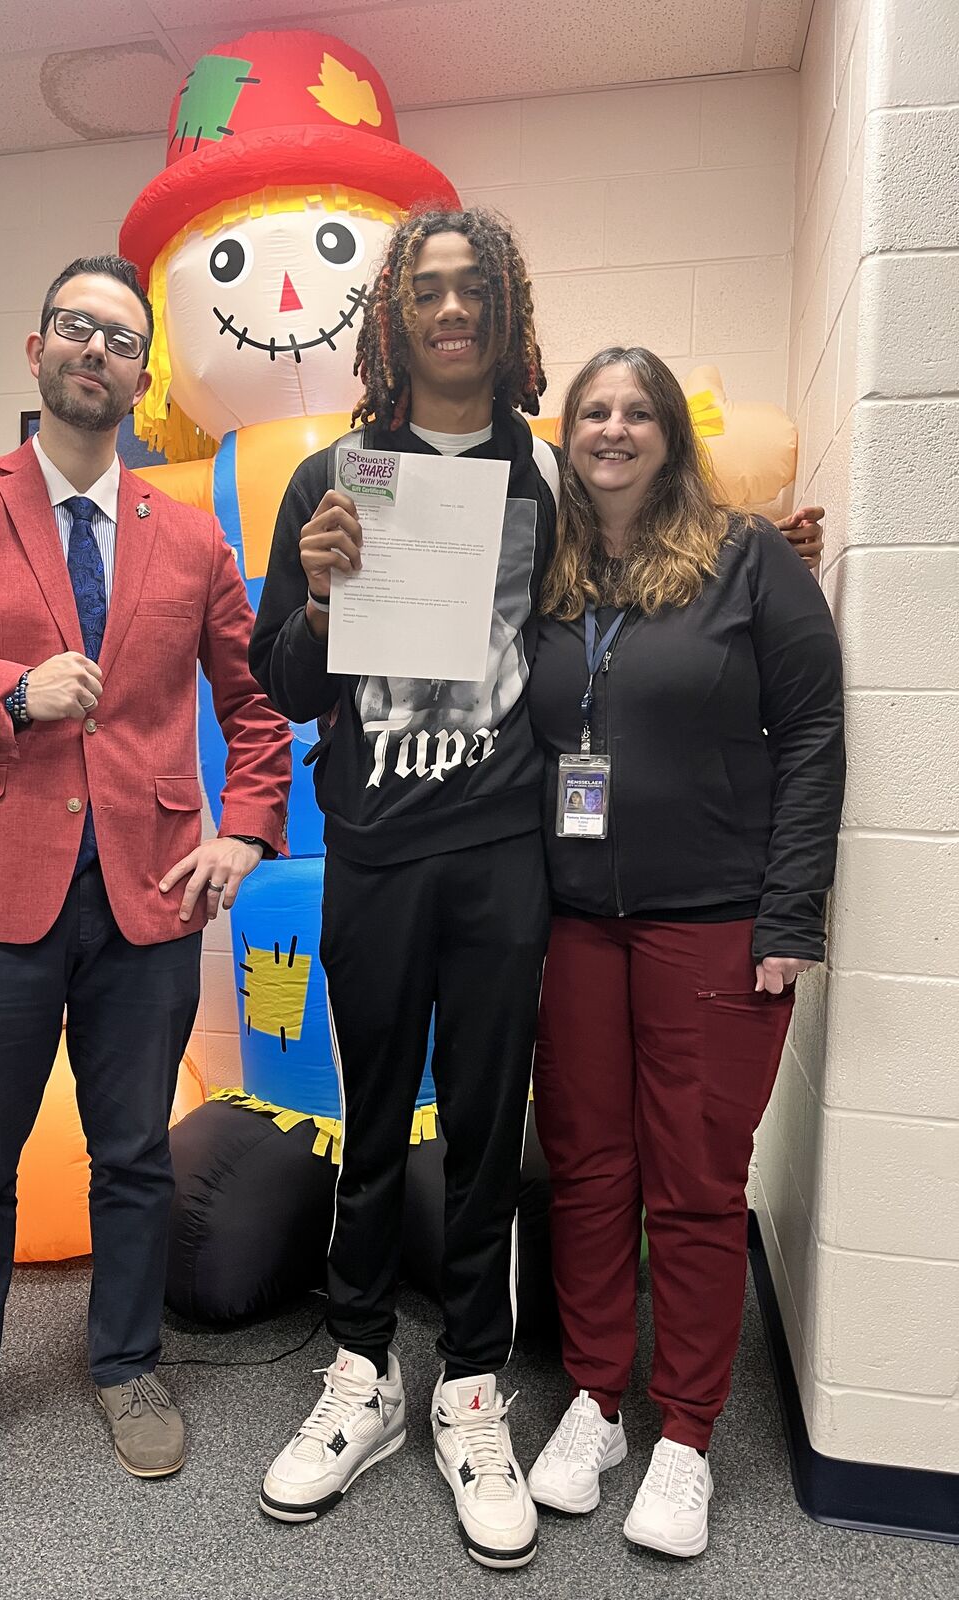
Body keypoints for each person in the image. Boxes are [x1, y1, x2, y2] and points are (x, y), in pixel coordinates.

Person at [0, 255, 291, 1505]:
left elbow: (258, 716)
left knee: (135, 1156)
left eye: (123, 338)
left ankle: (128, 1364)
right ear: (34, 349)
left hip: (148, 895)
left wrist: (247, 833)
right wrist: (3, 692)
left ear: (144, 380)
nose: (99, 350)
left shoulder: (194, 536)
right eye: (78, 328)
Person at [250, 209, 558, 1570]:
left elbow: (589, 657)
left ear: (502, 311)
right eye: (426, 290)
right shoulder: (330, 471)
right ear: (395, 316)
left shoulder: (542, 474)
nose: (450, 309)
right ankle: (364, 1373)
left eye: (470, 288)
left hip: (500, 849)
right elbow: (283, 684)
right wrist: (317, 602)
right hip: (373, 847)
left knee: (488, 1125)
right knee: (374, 1119)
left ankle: (474, 1389)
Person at [524, 347, 845, 1559]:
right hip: (571, 919)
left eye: (636, 411)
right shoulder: (546, 576)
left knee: (698, 1183)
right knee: (589, 1165)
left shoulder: (746, 557)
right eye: (593, 411)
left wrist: (790, 912)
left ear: (669, 434)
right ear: (569, 435)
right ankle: (601, 1397)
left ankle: (690, 1430)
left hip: (711, 916)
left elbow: (814, 730)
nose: (613, 428)